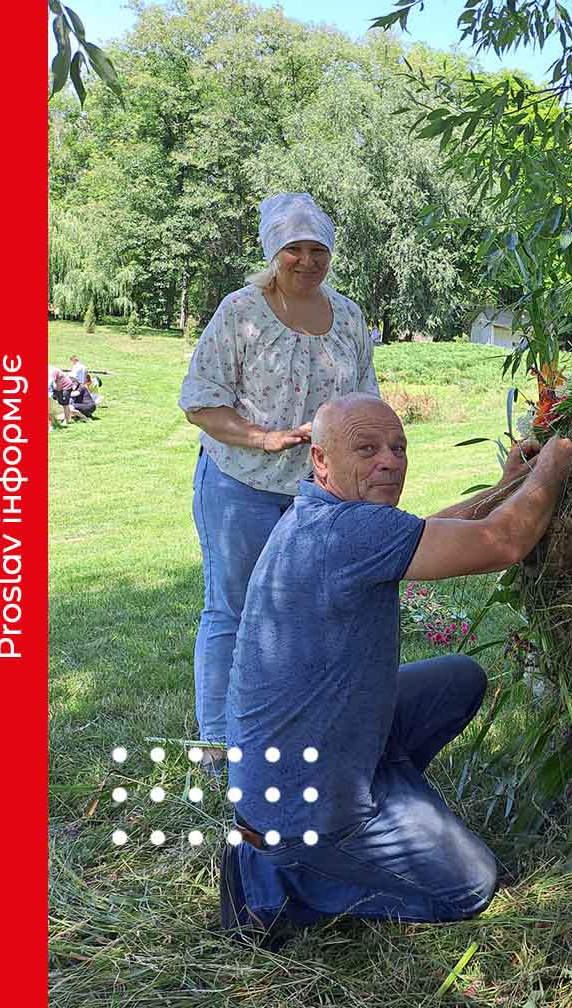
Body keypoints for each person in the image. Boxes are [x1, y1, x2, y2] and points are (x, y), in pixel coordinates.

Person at [219, 393, 572, 946]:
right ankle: (286, 875)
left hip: (309, 755)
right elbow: (505, 542)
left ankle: (383, 786)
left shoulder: (322, 518)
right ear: (320, 459)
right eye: (367, 448)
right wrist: (557, 459)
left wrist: (510, 485)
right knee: (470, 884)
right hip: (300, 805)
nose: (390, 460)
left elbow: (432, 531)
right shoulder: (344, 533)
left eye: (398, 447)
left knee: (458, 678)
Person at [178, 193, 377, 767]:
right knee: (231, 607)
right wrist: (263, 437)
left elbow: (366, 398)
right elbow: (199, 402)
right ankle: (217, 736)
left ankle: (287, 719)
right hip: (239, 484)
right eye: (295, 249)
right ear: (274, 251)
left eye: (319, 250)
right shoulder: (241, 311)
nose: (307, 261)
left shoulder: (351, 317)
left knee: (304, 609)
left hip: (317, 495)